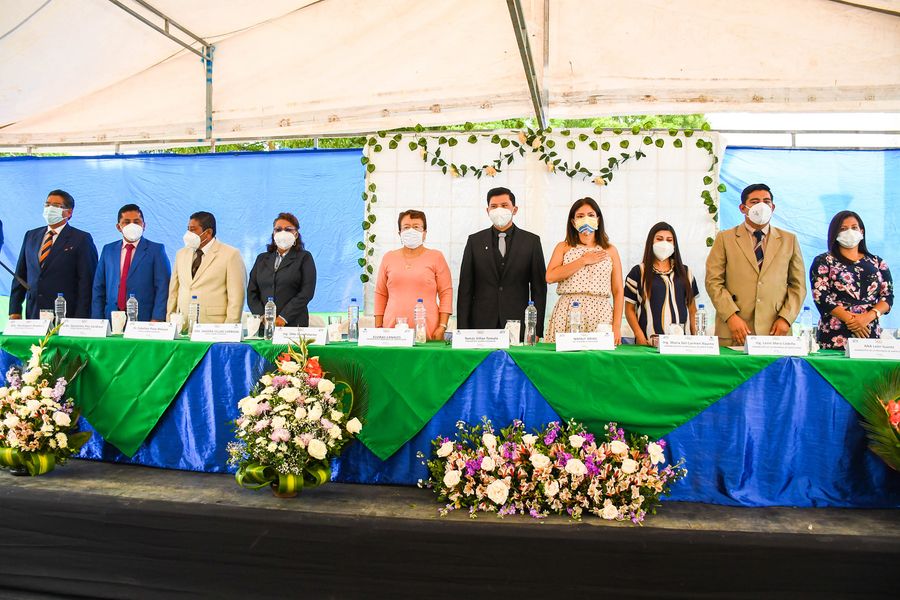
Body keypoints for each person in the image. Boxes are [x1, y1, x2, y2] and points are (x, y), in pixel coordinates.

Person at [705, 183, 806, 346]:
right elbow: (713, 281)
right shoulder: (725, 238)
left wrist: (786, 318)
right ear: (742, 208)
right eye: (754, 201)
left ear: (773, 207)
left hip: (776, 332)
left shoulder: (789, 240)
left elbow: (798, 286)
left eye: (766, 202)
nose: (761, 206)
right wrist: (731, 316)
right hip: (735, 331)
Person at [457, 187, 547, 339]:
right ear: (487, 210)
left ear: (514, 209)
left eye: (504, 205)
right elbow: (465, 288)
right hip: (480, 324)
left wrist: (536, 329)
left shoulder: (531, 242)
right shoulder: (474, 241)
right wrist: (462, 329)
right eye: (494, 206)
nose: (499, 210)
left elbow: (539, 289)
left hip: (519, 323)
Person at [9, 190, 98, 320]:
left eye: (56, 206)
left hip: (65, 314)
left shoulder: (81, 239)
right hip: (34, 313)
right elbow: (20, 275)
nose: (50, 209)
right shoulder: (31, 236)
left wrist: (81, 317)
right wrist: (14, 310)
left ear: (69, 212)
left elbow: (86, 282)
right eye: (47, 204)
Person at [545, 197, 624, 344]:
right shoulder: (563, 247)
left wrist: (617, 326)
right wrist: (583, 261)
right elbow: (550, 277)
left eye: (591, 215)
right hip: (568, 310)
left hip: (601, 312)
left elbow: (618, 290)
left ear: (598, 219)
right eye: (580, 216)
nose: (586, 219)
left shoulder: (610, 250)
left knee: (599, 356)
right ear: (573, 222)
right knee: (565, 356)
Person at [809, 211, 892, 349]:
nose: (849, 232)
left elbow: (888, 297)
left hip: (869, 334)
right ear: (835, 234)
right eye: (843, 229)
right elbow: (821, 296)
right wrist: (851, 320)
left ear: (862, 231)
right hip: (834, 334)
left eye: (854, 227)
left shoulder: (877, 262)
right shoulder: (823, 261)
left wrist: (867, 317)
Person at [374, 210, 452, 339]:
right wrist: (378, 327)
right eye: (406, 227)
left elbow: (446, 292)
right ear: (399, 233)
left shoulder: (436, 257)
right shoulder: (389, 257)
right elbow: (380, 293)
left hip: (428, 331)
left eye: (416, 227)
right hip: (391, 331)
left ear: (424, 233)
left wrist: (442, 326)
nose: (411, 231)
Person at [91, 204, 171, 321]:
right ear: (119, 227)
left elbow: (163, 287)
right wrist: (97, 318)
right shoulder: (108, 250)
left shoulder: (156, 250)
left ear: (144, 225)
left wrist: (157, 318)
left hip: (144, 318)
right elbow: (99, 286)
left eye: (137, 222)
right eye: (127, 222)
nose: (132, 226)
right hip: (111, 316)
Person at [624, 222, 699, 344]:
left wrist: (697, 340)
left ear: (674, 244)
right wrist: (639, 336)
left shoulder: (686, 273)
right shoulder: (638, 272)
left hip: (680, 344)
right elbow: (629, 309)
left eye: (669, 240)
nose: (664, 244)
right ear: (651, 242)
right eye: (659, 239)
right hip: (648, 344)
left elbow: (692, 309)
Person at [167, 211, 246, 324]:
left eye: (193, 230)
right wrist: (170, 320)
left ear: (208, 232)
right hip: (182, 324)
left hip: (214, 326)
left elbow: (236, 297)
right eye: (188, 229)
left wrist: (229, 328)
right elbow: (173, 292)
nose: (188, 234)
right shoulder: (181, 254)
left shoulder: (231, 254)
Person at [247, 212, 317, 327]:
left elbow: (306, 292)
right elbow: (252, 292)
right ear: (273, 233)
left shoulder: (304, 258)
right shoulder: (261, 259)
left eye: (288, 229)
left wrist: (284, 317)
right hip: (264, 325)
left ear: (296, 234)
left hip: (294, 324)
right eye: (278, 229)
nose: (282, 233)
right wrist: (262, 316)